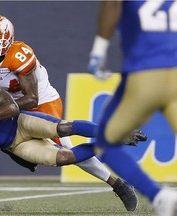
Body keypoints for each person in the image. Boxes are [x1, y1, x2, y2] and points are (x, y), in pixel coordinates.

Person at [0, 55, 147, 213]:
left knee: (63, 128)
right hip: (13, 144)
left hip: (21, 122)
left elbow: (12, 107)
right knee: (64, 157)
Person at [0, 14, 139, 212]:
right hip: (8, 103)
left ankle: (118, 184)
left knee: (64, 147)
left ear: (7, 41)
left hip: (39, 100)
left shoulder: (19, 55)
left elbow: (32, 98)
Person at [87, 1, 177, 216]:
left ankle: (159, 197)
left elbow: (111, 4)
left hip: (144, 75)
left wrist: (98, 51)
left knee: (105, 144)